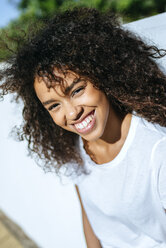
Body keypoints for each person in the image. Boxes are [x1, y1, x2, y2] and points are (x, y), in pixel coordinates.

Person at [0, 7, 166, 248]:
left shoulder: (156, 152)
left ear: (104, 76)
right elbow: (92, 218)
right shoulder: (73, 146)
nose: (72, 113)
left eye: (77, 90)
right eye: (54, 105)